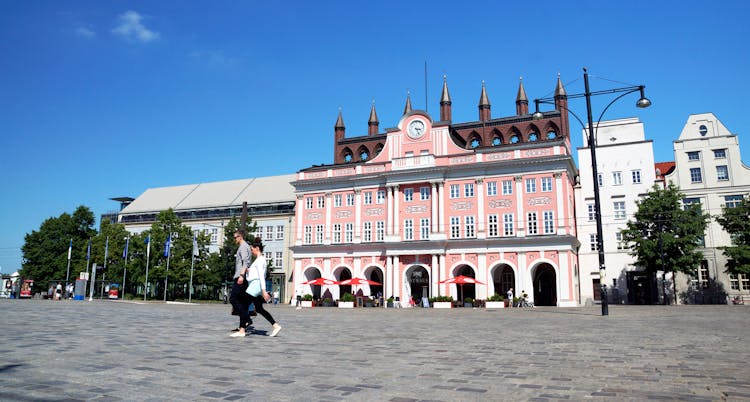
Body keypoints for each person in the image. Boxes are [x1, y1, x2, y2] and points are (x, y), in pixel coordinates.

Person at [241, 237, 282, 337]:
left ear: (257, 249)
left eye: (252, 249)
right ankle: (275, 325)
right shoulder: (258, 260)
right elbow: (253, 276)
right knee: (259, 309)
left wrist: (263, 291)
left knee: (243, 305)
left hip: (255, 286)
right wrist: (248, 272)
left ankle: (242, 329)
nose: (251, 251)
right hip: (255, 285)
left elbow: (261, 276)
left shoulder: (260, 260)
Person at [229, 230, 253, 336]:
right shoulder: (245, 246)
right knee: (242, 303)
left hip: (240, 277)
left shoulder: (243, 246)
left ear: (240, 237)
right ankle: (242, 326)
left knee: (233, 299)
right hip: (242, 276)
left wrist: (241, 276)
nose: (234, 239)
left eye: (235, 237)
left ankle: (246, 319)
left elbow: (246, 262)